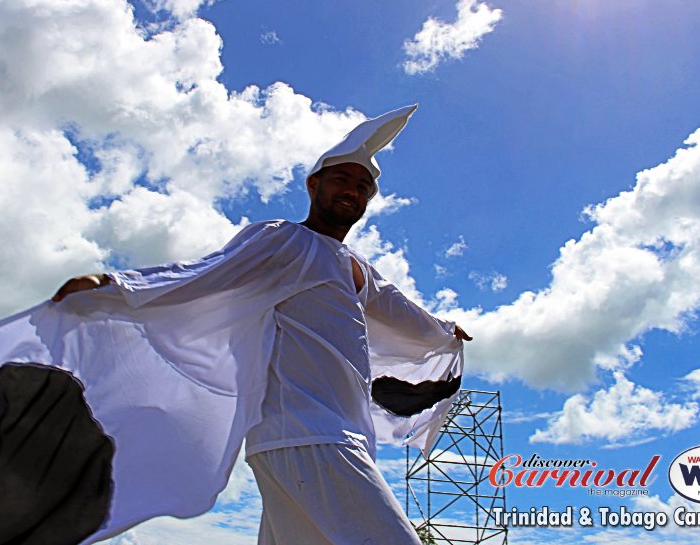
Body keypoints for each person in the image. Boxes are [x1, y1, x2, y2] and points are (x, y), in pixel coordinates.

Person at [52, 105, 471, 544]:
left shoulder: (355, 269)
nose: (352, 191)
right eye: (342, 180)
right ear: (314, 185)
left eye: (362, 186)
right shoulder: (284, 240)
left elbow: (404, 313)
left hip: (326, 437)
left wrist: (445, 331)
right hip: (309, 433)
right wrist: (114, 284)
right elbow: (206, 272)